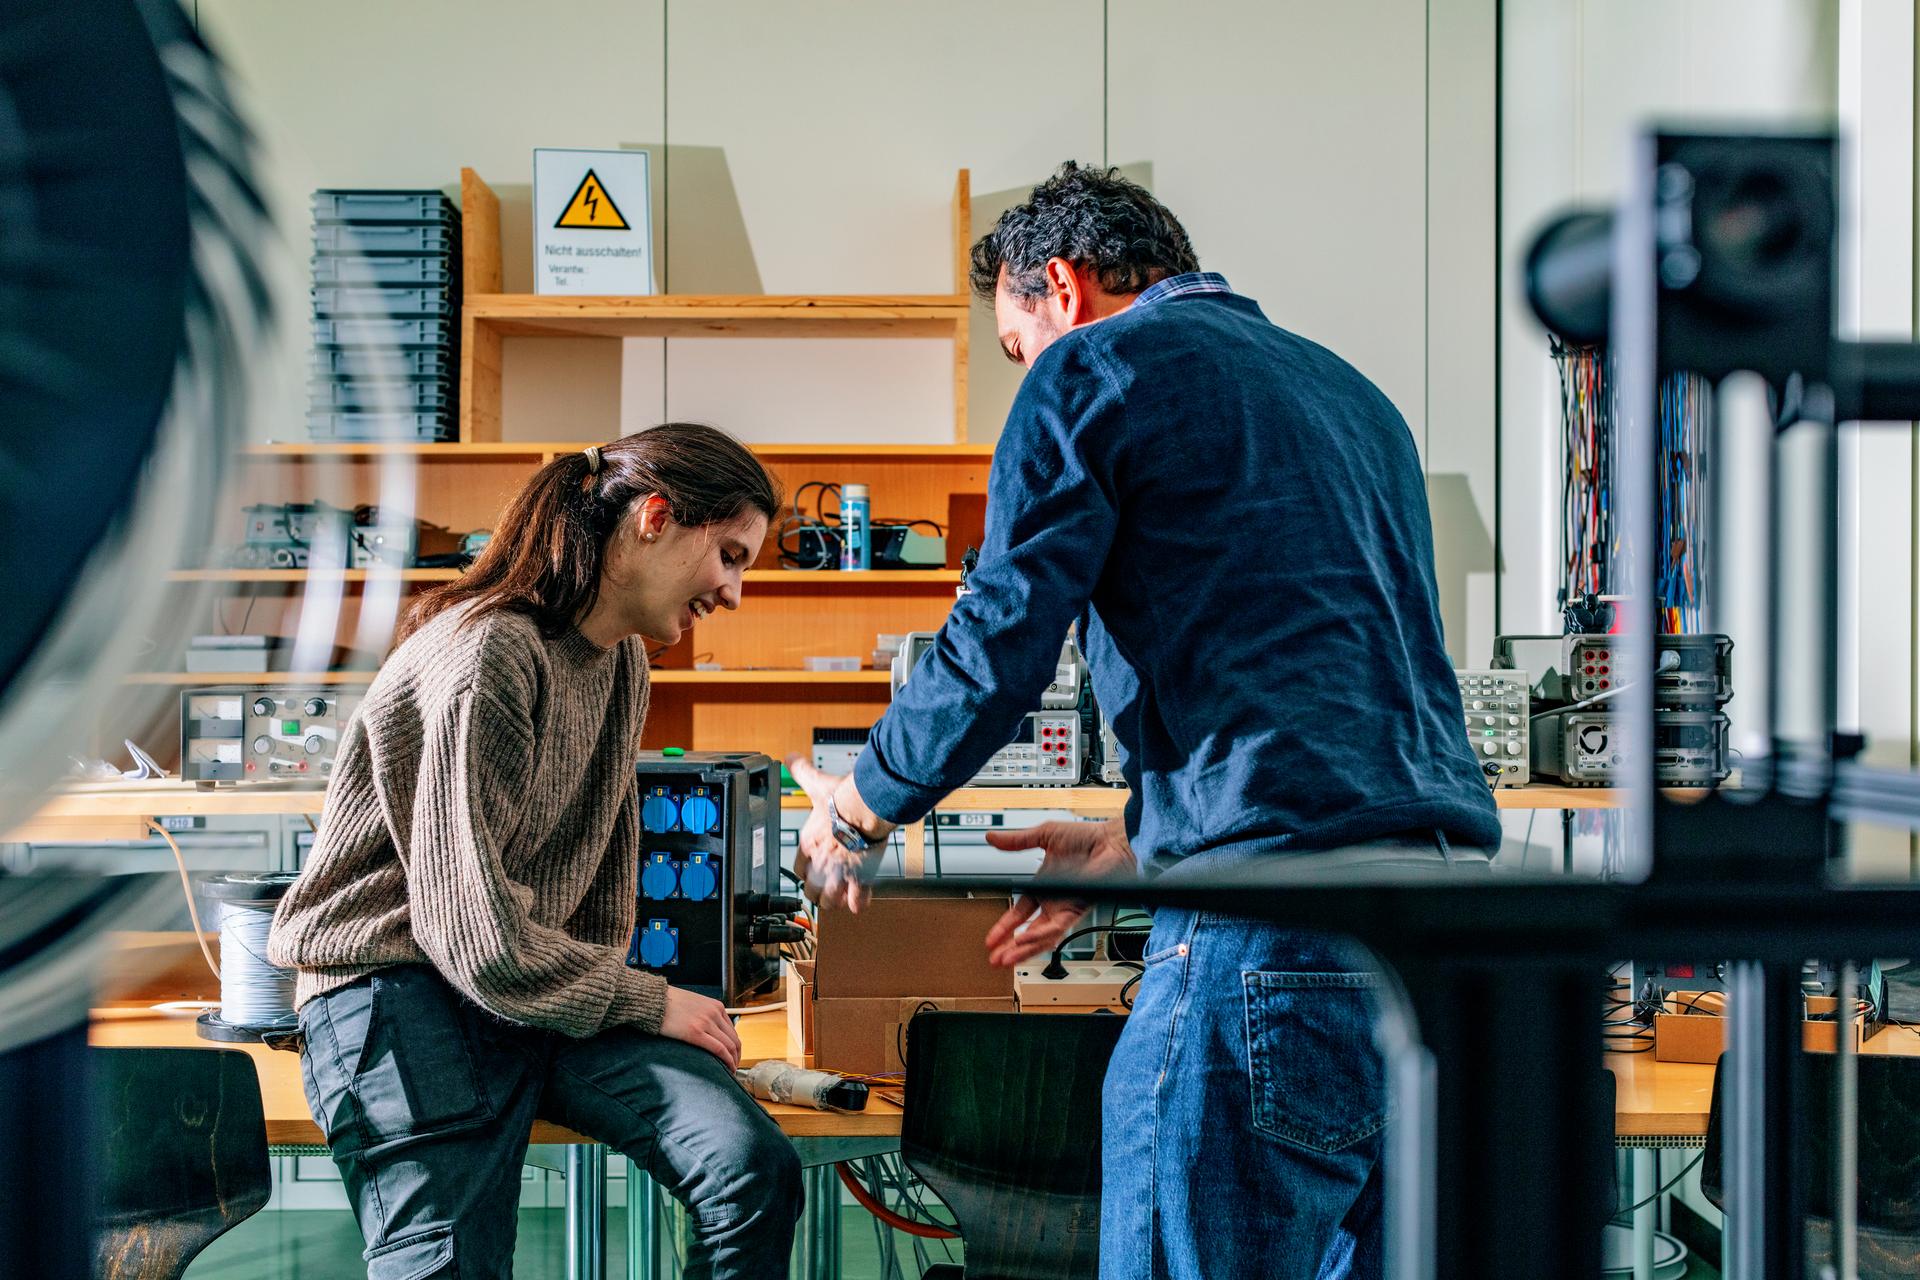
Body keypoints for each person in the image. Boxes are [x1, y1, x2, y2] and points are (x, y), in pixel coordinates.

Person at [789, 164, 1502, 1279]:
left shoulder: (1094, 370)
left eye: (1016, 345)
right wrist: (1133, 846)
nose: (1027, 371)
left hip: (1267, 939)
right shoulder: (1355, 397)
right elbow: (1324, 687)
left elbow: (999, 635)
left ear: (1061, 289)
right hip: (1446, 938)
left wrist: (862, 805)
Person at [269, 424, 801, 1280]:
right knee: (450, 1264)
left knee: (750, 1169)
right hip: (394, 987)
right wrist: (646, 999)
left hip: (529, 985)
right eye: (730, 556)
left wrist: (616, 996)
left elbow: (590, 892)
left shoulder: (624, 662)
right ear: (655, 520)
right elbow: (472, 933)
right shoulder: (487, 656)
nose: (734, 592)